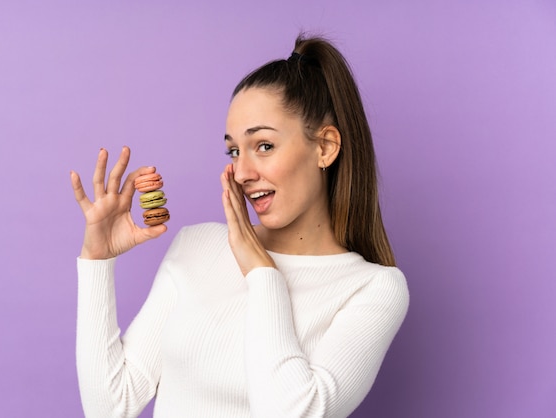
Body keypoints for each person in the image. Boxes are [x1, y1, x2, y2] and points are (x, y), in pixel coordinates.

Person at [70, 34, 409, 418]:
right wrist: (96, 260)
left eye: (263, 145)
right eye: (234, 150)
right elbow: (110, 406)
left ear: (326, 147)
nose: (243, 172)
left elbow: (292, 412)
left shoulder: (373, 288)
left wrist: (263, 273)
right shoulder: (195, 246)